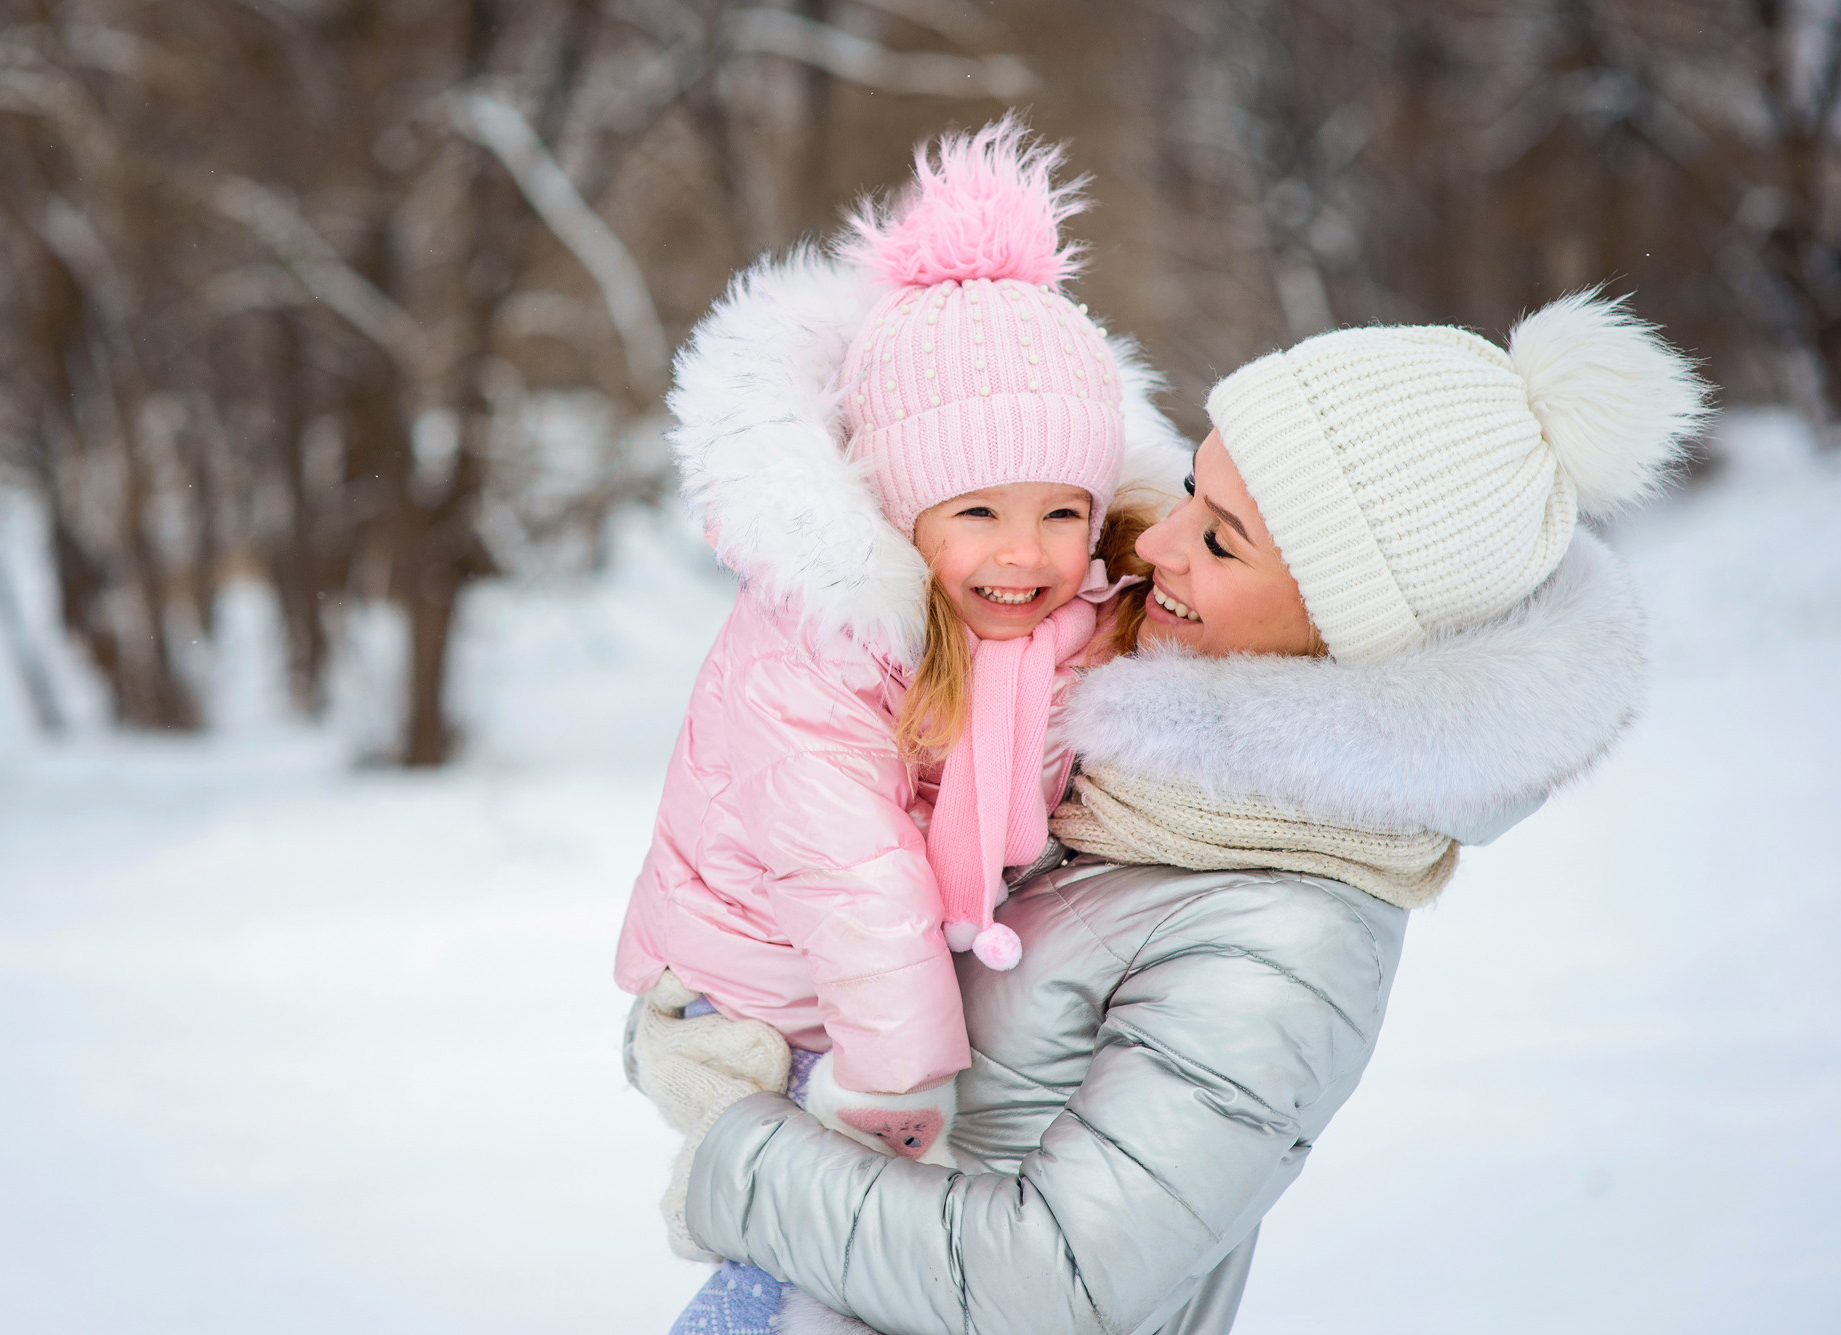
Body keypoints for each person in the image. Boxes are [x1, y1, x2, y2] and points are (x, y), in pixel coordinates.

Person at [632, 289, 1709, 1334]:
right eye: (1190, 486)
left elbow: (1050, 1285)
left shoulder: (1288, 940)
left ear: (1348, 629)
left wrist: (740, 1156)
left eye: (1221, 538)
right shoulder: (1125, 770)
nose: (1151, 544)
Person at [612, 120, 1188, 1266]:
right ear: (895, 515)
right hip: (749, 1013)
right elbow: (850, 870)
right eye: (976, 512)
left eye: (1059, 511)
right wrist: (901, 1079)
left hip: (859, 999)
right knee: (820, 1262)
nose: (1024, 553)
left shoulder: (1060, 620)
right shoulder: (819, 647)